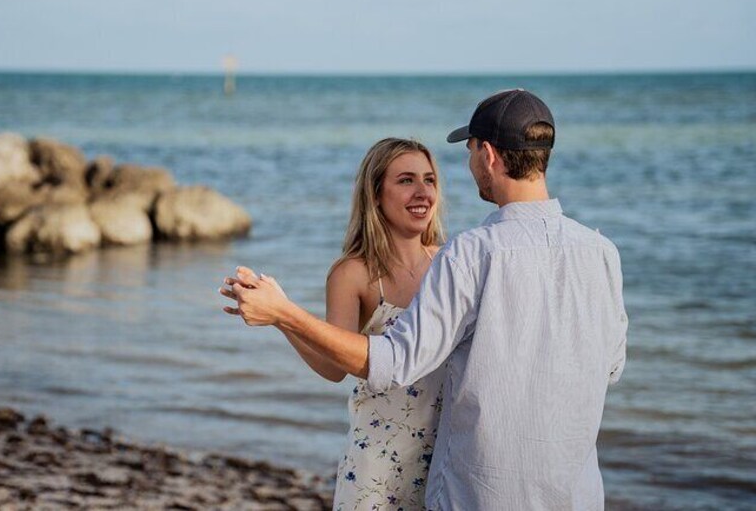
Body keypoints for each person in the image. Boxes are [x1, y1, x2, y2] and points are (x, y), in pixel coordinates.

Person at [223, 89, 628, 510]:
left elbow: (394, 362)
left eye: (470, 151)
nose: (465, 168)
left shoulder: (470, 253)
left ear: (488, 155)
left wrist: (284, 313)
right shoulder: (602, 252)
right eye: (406, 180)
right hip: (573, 495)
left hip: (481, 493)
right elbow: (610, 366)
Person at [223, 138, 447, 509]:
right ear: (375, 194)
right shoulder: (355, 274)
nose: (422, 192)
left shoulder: (450, 263)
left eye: (430, 180)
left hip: (444, 461)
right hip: (377, 468)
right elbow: (332, 368)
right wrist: (282, 318)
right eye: (406, 180)